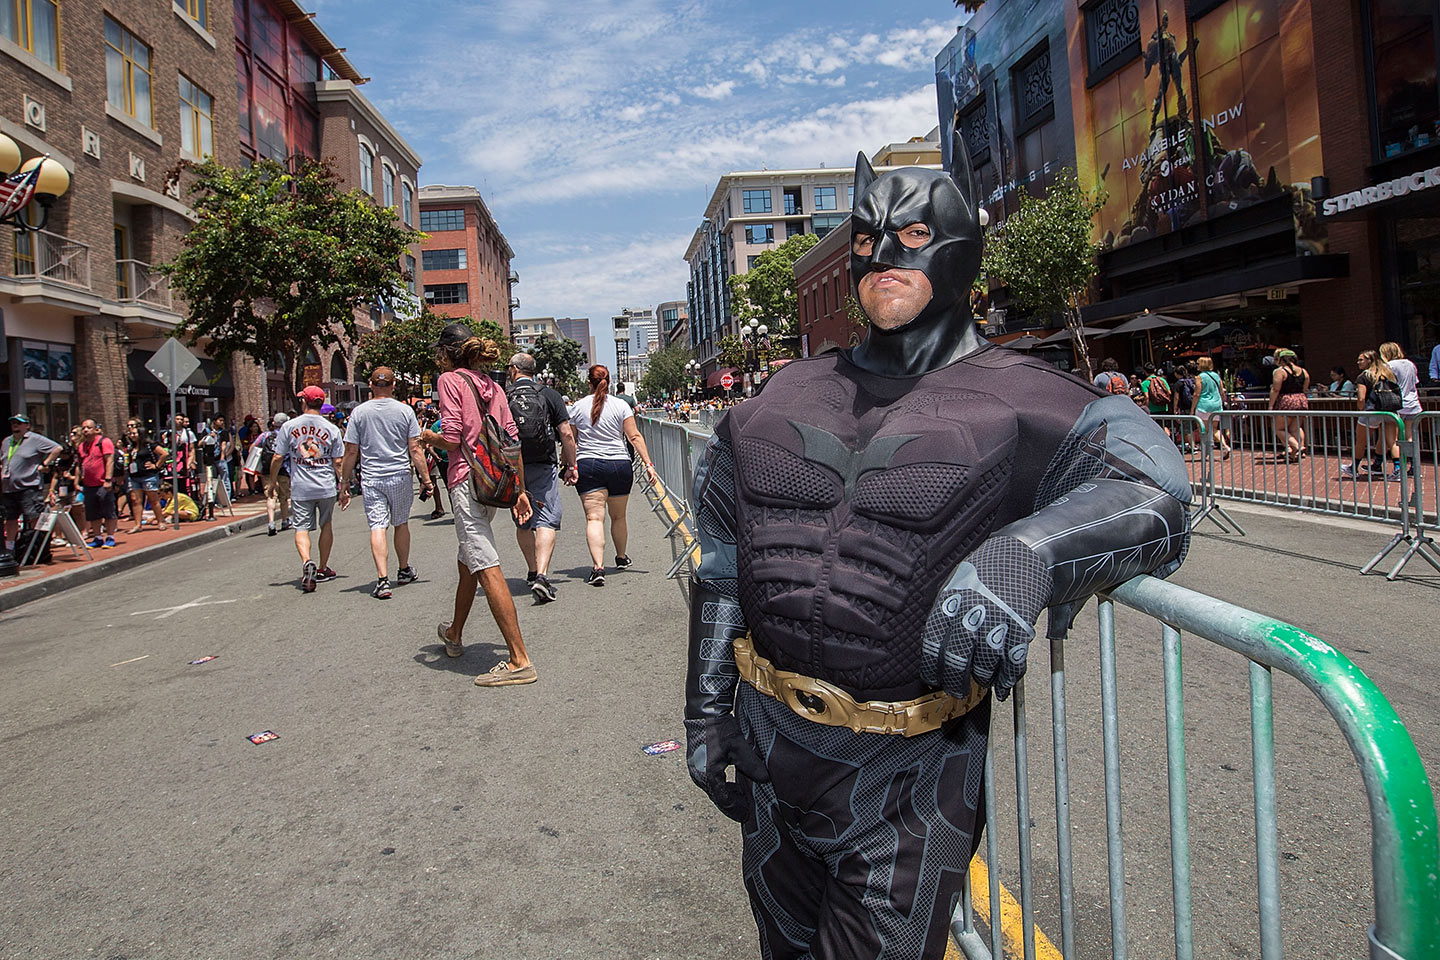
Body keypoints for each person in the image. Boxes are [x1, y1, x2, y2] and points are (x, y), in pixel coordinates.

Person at [684, 142, 1189, 960]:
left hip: (912, 776)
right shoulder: (782, 392)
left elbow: (1160, 491)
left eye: (912, 235)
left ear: (962, 251)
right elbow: (722, 561)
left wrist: (1028, 554)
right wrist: (705, 711)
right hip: (769, 743)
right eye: (864, 240)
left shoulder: (1029, 399)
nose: (880, 255)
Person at [419, 323, 536, 687]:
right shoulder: (494, 386)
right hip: (492, 482)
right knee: (468, 559)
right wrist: (519, 489)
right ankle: (454, 633)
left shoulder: (450, 381)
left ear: (448, 353)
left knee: (485, 564)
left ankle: (518, 659)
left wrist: (428, 437)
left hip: (465, 481)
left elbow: (452, 438)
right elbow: (511, 439)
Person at [340, 367, 432, 599]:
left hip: (372, 477)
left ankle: (382, 579)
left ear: (371, 385)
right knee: (401, 523)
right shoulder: (405, 411)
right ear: (392, 386)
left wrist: (343, 482)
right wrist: (426, 479)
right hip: (399, 474)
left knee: (377, 526)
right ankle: (403, 569)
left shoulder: (359, 413)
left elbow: (351, 451)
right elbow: (415, 448)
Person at [568, 364, 658, 586]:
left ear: (589, 382)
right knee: (619, 516)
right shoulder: (620, 406)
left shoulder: (577, 407)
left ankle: (598, 568)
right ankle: (620, 557)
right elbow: (634, 436)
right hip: (619, 464)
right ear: (608, 382)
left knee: (594, 518)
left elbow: (570, 440)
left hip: (588, 464)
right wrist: (648, 464)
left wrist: (569, 465)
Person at [505, 352, 579, 603]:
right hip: (544, 463)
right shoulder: (550, 395)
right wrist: (571, 464)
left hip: (513, 465)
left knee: (523, 520)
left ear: (514, 370)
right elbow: (566, 434)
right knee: (545, 519)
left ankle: (532, 570)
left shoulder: (504, 396)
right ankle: (543, 575)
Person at [270, 387, 347, 592]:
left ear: (304, 402)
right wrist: (344, 486)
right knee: (326, 524)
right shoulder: (331, 428)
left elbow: (278, 457)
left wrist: (271, 482)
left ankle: (306, 561)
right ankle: (322, 567)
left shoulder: (289, 426)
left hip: (301, 487)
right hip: (325, 485)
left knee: (301, 528)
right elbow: (338, 461)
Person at [1, 415, 61, 551]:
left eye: (19, 423)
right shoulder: (6, 442)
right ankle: (10, 547)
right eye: (13, 423)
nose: (15, 425)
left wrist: (44, 463)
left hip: (28, 487)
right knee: (10, 518)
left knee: (34, 517)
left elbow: (57, 448)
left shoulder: (34, 439)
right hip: (9, 488)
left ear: (27, 425)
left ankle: (38, 547)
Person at [1345, 350, 1403, 481]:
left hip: (1371, 412)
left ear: (1369, 361)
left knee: (1361, 442)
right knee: (1393, 442)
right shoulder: (1388, 374)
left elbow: (1361, 398)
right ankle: (1397, 469)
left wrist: (1361, 410)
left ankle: (1354, 468)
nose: (1358, 362)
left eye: (1361, 360)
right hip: (1390, 411)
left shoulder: (1364, 377)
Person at [121, 419, 168, 534]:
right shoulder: (131, 447)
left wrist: (156, 466)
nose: (132, 436)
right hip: (134, 476)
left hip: (148, 476)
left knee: (153, 499)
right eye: (131, 434)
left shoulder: (149, 445)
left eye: (134, 433)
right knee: (135, 500)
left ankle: (160, 521)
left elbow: (164, 454)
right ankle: (137, 525)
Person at [77, 420, 119, 548]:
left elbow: (109, 461)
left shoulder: (104, 442)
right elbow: (80, 464)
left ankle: (110, 536)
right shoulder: (82, 445)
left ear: (96, 429)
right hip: (89, 485)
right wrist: (78, 480)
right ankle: (97, 537)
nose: (86, 430)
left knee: (108, 511)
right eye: (84, 428)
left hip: (103, 484)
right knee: (92, 512)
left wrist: (107, 479)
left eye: (89, 428)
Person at [1268, 348, 1310, 461]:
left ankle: (1295, 446)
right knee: (1296, 428)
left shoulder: (1280, 371)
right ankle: (1301, 447)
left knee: (1279, 428)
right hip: (1301, 400)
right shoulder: (1303, 371)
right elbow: (1305, 388)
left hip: (1286, 401)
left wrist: (1271, 406)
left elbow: (1276, 389)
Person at [255, 413, 291, 536]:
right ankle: (285, 520)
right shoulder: (288, 435)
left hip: (268, 471)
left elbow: (253, 449)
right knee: (284, 497)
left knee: (271, 496)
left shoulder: (264, 436)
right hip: (283, 470)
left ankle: (271, 522)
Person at [1191, 356, 1231, 458]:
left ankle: (1206, 452)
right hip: (1216, 405)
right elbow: (1222, 391)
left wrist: (1192, 409)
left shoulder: (1199, 377)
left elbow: (1197, 394)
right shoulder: (1216, 376)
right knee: (1214, 429)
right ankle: (1225, 446)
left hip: (1203, 405)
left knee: (1203, 430)